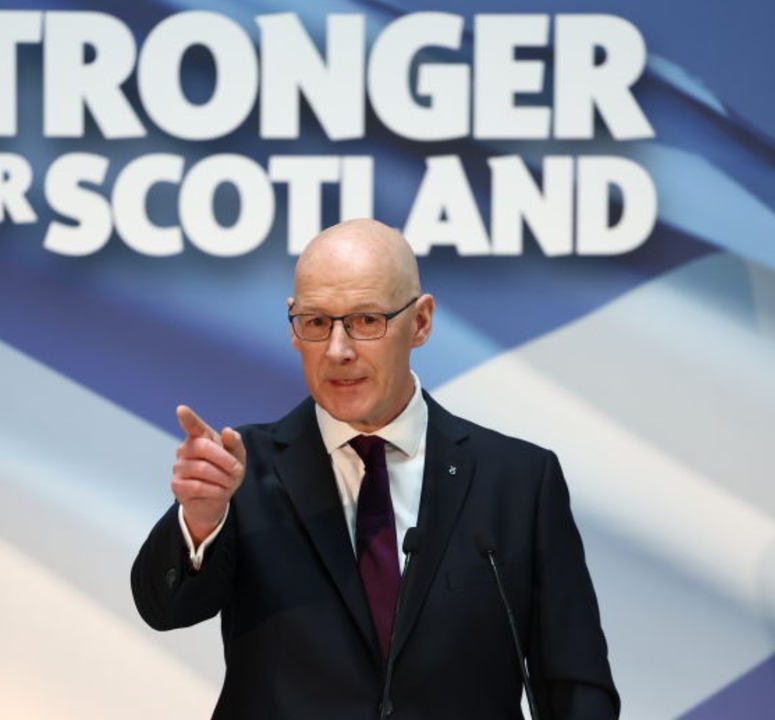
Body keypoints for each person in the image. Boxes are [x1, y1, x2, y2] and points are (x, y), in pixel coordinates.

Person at [131, 219, 619, 720]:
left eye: (366, 320)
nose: (338, 350)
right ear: (294, 327)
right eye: (317, 322)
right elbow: (164, 609)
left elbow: (575, 683)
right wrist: (201, 520)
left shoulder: (517, 481)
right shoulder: (242, 469)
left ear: (422, 322)